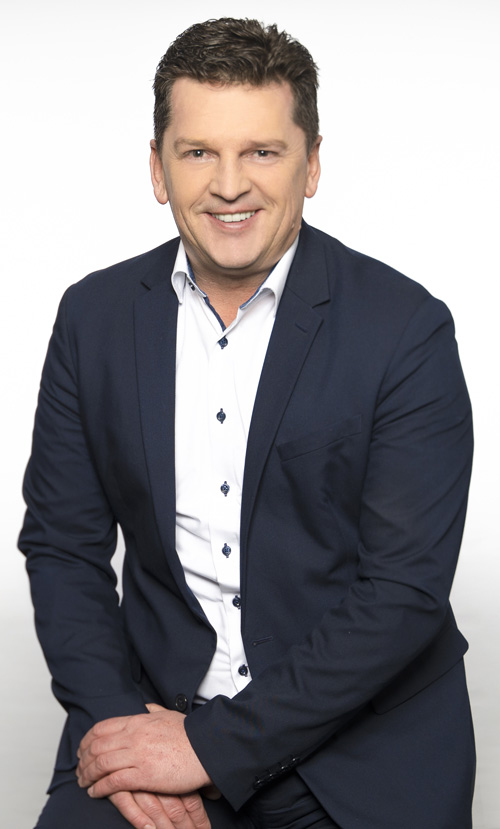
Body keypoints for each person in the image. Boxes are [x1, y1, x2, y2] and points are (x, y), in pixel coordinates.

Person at [19, 17, 475, 829]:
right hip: (156, 713)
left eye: (262, 151)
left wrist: (210, 746)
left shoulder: (405, 330)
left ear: (312, 164)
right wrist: (122, 729)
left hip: (358, 753)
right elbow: (62, 547)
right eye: (199, 152)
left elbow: (402, 592)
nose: (230, 184)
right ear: (158, 169)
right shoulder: (92, 319)